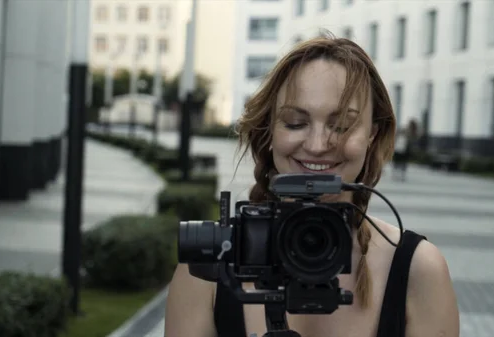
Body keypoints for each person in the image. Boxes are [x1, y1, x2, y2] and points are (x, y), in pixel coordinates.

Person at [165, 34, 459, 337]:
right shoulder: (208, 269)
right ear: (270, 131)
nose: (318, 145)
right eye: (295, 122)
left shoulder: (419, 270)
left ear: (373, 134)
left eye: (342, 125)